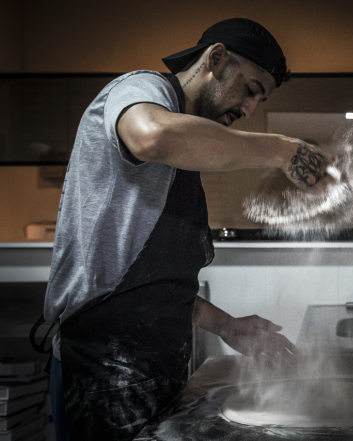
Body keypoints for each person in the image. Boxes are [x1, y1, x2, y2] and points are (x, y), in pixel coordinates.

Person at [42, 18, 329, 441]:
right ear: (215, 58)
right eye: (250, 89)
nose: (250, 109)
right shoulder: (140, 90)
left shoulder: (186, 153)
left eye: (260, 100)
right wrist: (283, 150)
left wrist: (227, 325)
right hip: (99, 365)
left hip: (158, 366)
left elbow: (150, 285)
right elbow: (152, 136)